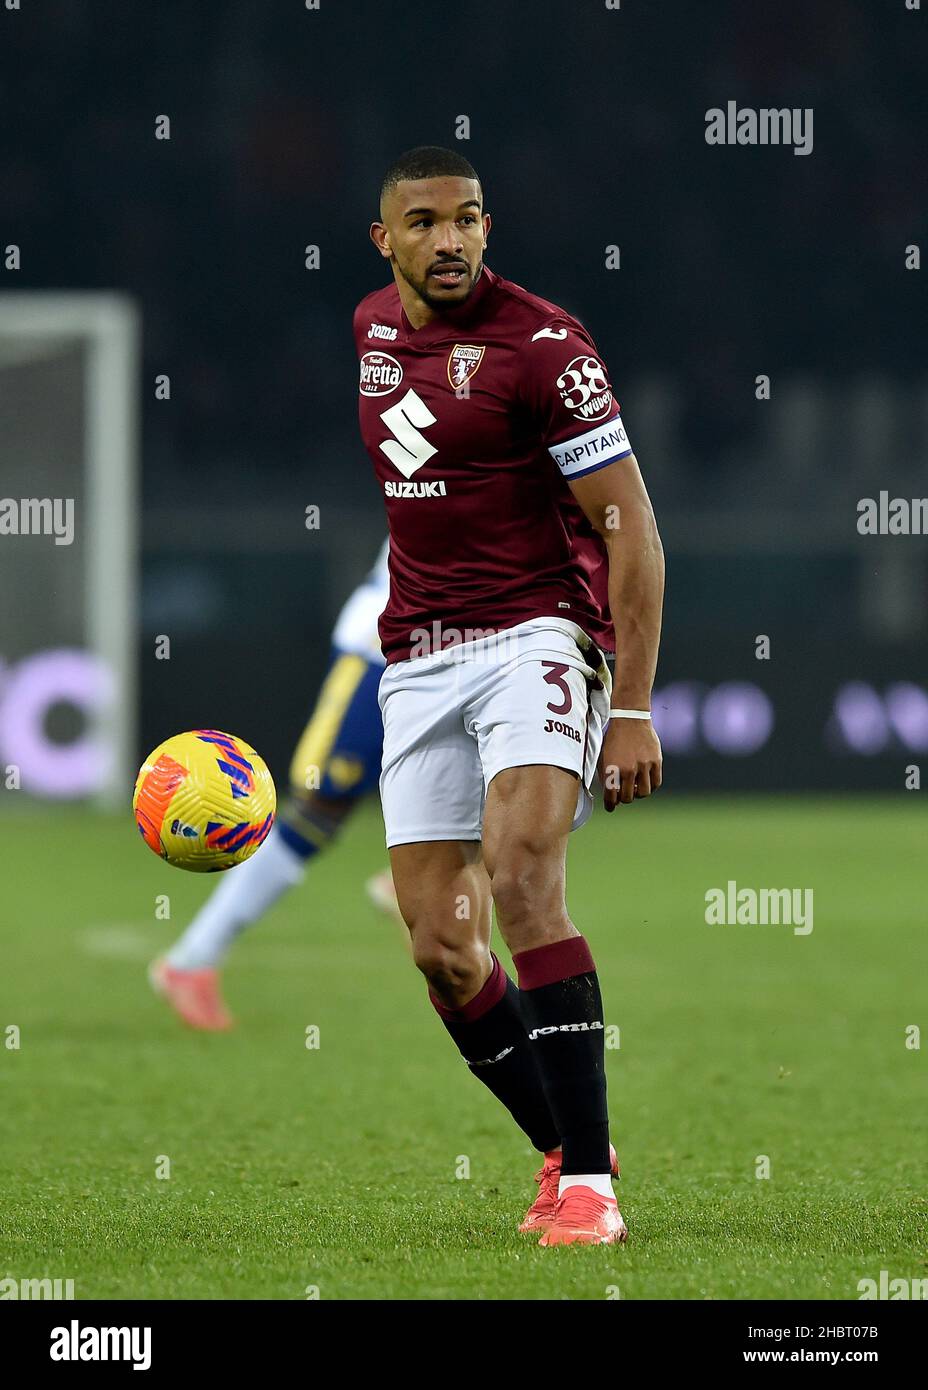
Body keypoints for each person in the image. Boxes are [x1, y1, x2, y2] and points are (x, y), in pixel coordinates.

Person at [355, 146, 664, 1245]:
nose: (452, 239)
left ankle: (590, 1187)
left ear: (490, 227)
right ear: (384, 238)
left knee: (524, 875)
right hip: (417, 658)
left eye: (470, 219)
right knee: (441, 946)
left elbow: (633, 531)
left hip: (533, 635)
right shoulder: (370, 337)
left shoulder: (546, 348)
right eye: (427, 221)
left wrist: (628, 704)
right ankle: (565, 1144)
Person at [149, 540, 398, 1030]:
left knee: (521, 771)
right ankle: (192, 960)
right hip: (383, 643)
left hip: (477, 651)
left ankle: (429, 871)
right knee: (323, 801)